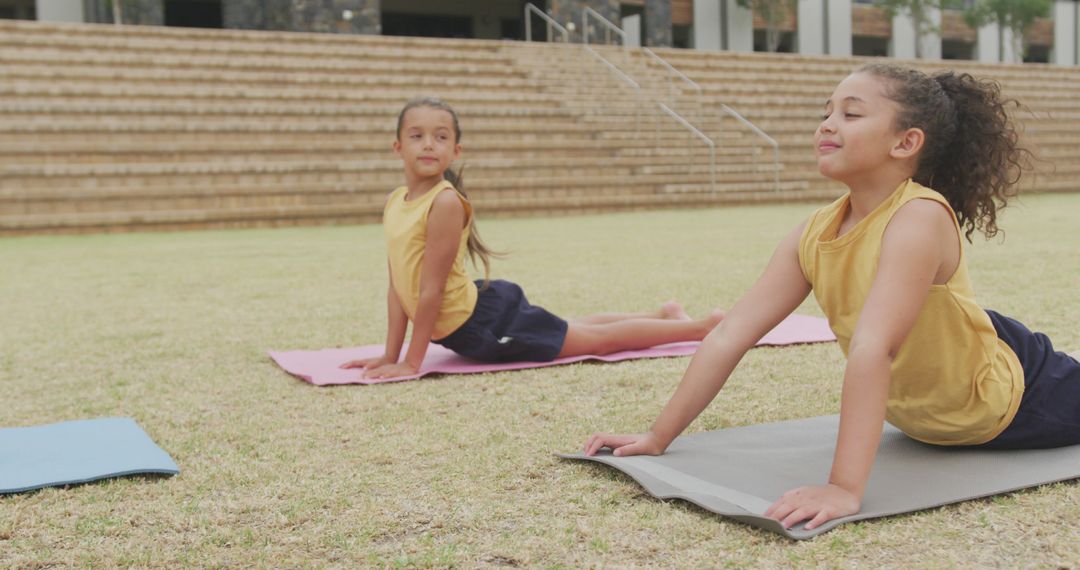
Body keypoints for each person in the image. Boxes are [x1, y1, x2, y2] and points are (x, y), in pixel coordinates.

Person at [583, 63, 1080, 531]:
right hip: (942, 388)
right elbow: (731, 333)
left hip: (1014, 392)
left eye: (851, 113)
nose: (826, 124)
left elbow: (873, 347)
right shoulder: (813, 232)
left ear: (906, 142)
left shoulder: (919, 217)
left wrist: (843, 487)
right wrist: (657, 437)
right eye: (826, 111)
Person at [342, 97, 724, 379]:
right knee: (573, 328)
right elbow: (398, 286)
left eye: (440, 137)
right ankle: (660, 314)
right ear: (398, 147)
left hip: (481, 325)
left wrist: (412, 361)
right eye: (417, 135)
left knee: (594, 341)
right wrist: (389, 354)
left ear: (455, 150)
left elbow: (430, 292)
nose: (428, 144)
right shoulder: (396, 201)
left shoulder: (443, 202)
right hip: (476, 310)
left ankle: (700, 328)